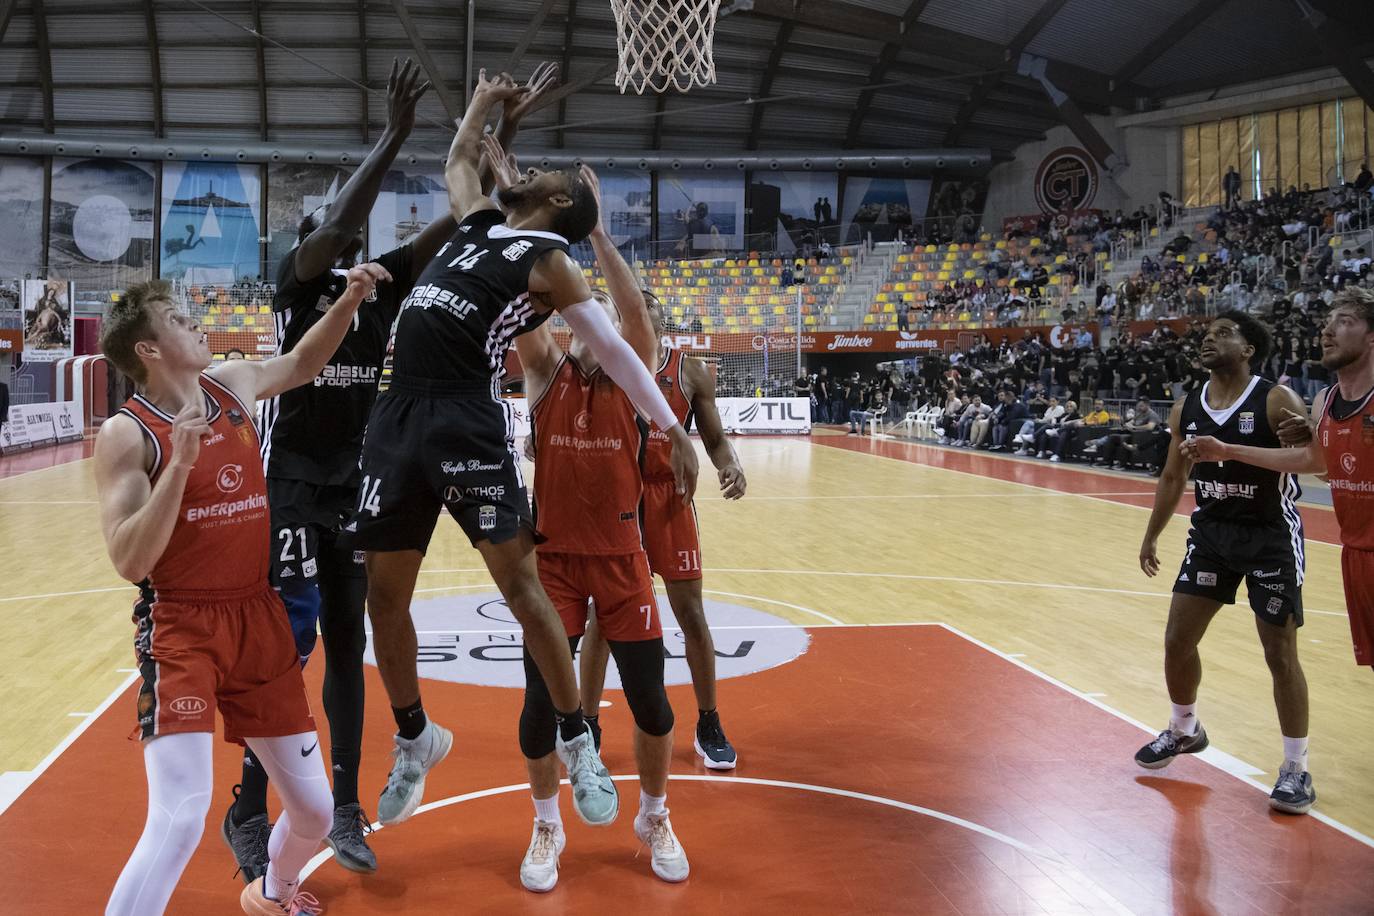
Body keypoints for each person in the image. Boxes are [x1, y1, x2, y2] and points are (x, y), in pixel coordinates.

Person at [342, 72, 699, 831]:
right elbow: (457, 163)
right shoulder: (479, 224)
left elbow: (618, 350)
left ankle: (577, 740)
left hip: (465, 415)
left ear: (560, 201)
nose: (526, 171)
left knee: (523, 590)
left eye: (541, 173)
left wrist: (671, 427)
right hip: (397, 411)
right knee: (383, 596)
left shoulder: (551, 260)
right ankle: (415, 736)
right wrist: (484, 98)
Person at [97, 264, 389, 915]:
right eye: (178, 320)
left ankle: (274, 892)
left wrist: (350, 299)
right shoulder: (127, 433)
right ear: (148, 349)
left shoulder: (230, 385)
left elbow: (304, 363)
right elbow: (128, 558)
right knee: (180, 818)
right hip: (183, 627)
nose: (196, 323)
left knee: (314, 811)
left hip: (258, 617)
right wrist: (180, 465)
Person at [512, 197, 694, 892]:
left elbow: (636, 313)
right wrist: (529, 219)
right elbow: (524, 295)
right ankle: (546, 825)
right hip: (553, 566)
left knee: (652, 705)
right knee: (538, 709)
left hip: (623, 562)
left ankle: (654, 816)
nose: (608, 320)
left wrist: (593, 227)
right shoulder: (543, 371)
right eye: (592, 311)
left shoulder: (633, 380)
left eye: (612, 316)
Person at [1136, 312, 1315, 815]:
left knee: (1279, 654)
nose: (1208, 339)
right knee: (1177, 639)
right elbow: (1173, 477)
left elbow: (1312, 459)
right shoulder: (1187, 407)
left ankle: (1296, 767)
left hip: (1269, 536)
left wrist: (1309, 433)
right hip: (1212, 534)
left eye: (1223, 333)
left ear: (1248, 349)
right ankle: (1184, 728)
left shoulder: (1276, 399)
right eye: (1207, 333)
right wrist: (1151, 535)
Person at [577, 278, 747, 768]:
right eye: (631, 303)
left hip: (670, 499)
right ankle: (587, 723)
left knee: (691, 614)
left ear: (660, 319)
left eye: (647, 301)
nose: (640, 305)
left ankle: (709, 721)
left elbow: (715, 440)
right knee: (603, 619)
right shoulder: (604, 364)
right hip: (619, 501)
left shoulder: (690, 370)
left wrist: (731, 465)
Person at [1183, 288, 1374, 671]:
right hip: (1356, 552)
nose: (1327, 331)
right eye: (1327, 323)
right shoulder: (1325, 401)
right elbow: (1319, 466)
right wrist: (1229, 450)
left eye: (1344, 322)